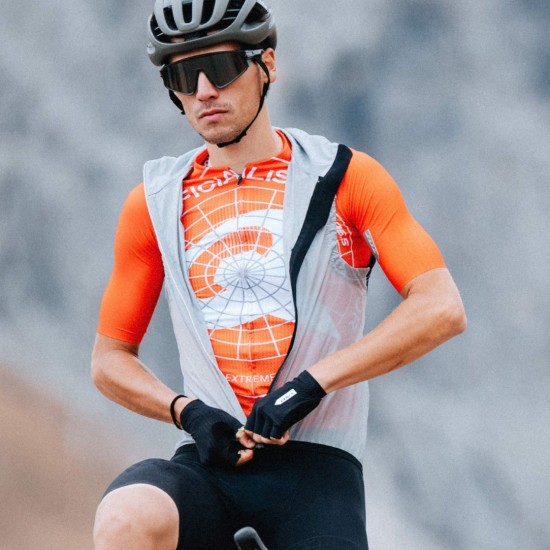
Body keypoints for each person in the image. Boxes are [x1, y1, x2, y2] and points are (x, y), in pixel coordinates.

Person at [91, 1, 467, 549]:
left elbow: (441, 306)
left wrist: (312, 384)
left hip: (317, 475)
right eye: (183, 77)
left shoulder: (346, 177)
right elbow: (108, 360)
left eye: (220, 69)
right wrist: (186, 412)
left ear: (266, 64)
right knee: (124, 519)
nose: (203, 91)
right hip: (209, 464)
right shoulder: (153, 202)